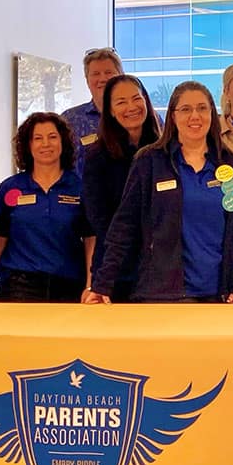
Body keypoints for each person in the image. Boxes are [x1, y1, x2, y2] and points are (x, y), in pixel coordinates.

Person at [86, 81, 233, 304]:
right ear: (173, 116)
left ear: (213, 114)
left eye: (202, 108)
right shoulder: (150, 162)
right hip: (162, 293)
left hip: (219, 294)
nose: (195, 116)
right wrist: (102, 283)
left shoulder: (229, 164)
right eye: (185, 109)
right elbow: (124, 226)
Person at [0, 113, 94, 303]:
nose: (46, 144)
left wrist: (90, 285)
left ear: (63, 142)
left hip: (68, 287)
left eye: (52, 137)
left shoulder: (80, 187)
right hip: (19, 287)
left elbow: (90, 240)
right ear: (28, 145)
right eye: (38, 138)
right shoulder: (10, 188)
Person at [81, 75, 161, 302]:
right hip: (115, 266)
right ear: (110, 110)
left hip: (159, 268)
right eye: (121, 102)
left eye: (136, 98)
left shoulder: (163, 149)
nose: (131, 107)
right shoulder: (97, 155)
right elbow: (98, 217)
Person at [62, 47, 124, 175]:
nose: (102, 79)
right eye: (96, 74)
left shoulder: (138, 116)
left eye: (108, 72)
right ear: (87, 80)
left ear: (121, 76)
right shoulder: (69, 119)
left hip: (131, 194)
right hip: (80, 194)